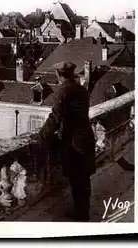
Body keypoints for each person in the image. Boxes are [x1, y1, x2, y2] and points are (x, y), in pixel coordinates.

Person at [37, 61, 96, 222]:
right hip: (86, 137)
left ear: (58, 74)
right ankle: (84, 211)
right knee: (84, 180)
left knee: (77, 179)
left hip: (74, 142)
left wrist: (41, 136)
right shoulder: (82, 89)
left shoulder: (62, 91)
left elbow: (55, 117)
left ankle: (81, 215)